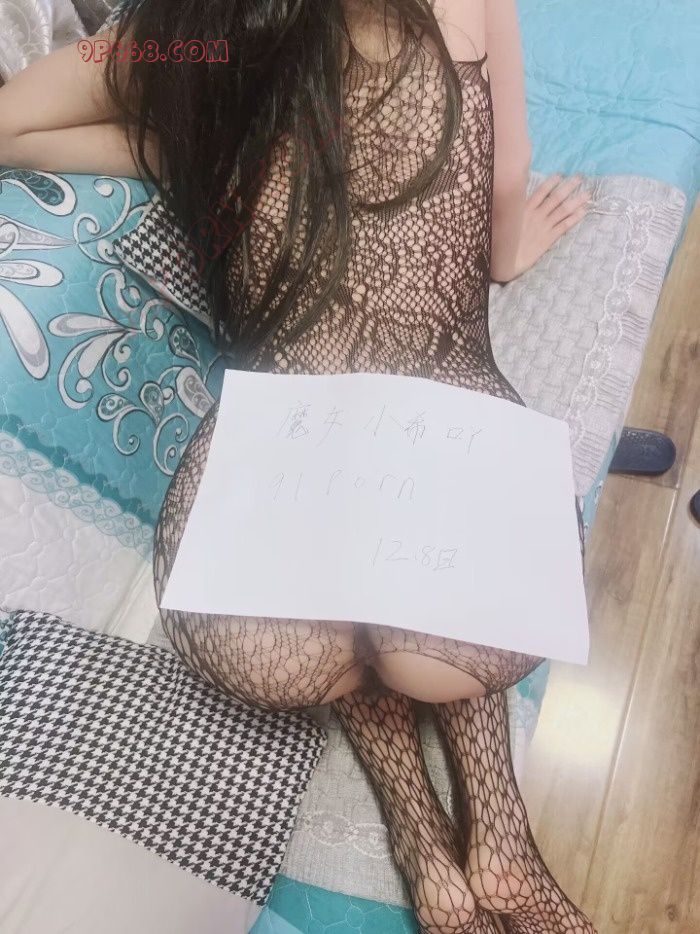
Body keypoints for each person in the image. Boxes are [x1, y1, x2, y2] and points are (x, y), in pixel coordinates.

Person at [0, 2, 595, 931]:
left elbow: (14, 126)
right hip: (443, 453)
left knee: (336, 611)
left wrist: (189, 147)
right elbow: (502, 194)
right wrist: (512, 253)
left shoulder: (197, 34)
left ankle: (423, 842)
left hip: (275, 527)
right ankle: (500, 843)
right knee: (437, 593)